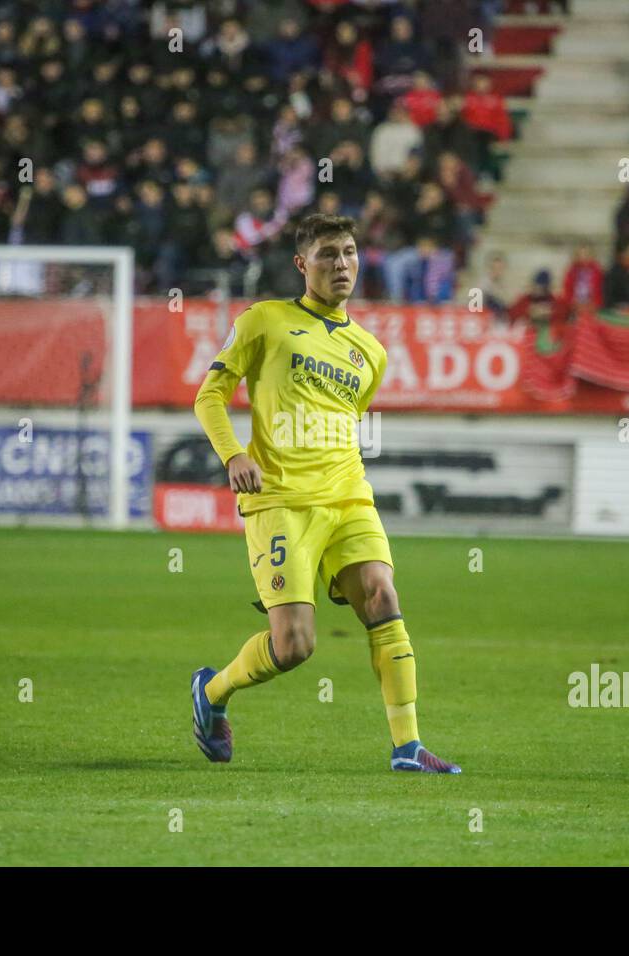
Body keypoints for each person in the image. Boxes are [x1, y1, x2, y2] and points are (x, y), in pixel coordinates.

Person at [190, 213, 461, 774]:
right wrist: (234, 454)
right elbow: (210, 396)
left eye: (350, 253)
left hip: (348, 496)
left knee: (383, 597)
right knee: (293, 647)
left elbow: (342, 424)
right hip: (280, 501)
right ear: (301, 264)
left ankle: (407, 746)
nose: (342, 264)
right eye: (328, 254)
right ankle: (213, 693)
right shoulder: (262, 321)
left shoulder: (371, 353)